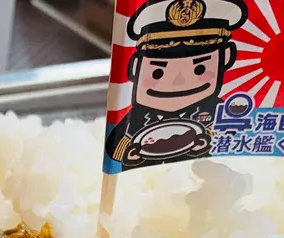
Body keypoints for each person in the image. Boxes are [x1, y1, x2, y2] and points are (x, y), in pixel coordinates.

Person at [105, 0, 248, 170]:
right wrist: (129, 155)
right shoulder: (132, 120)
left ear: (226, 57)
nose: (177, 81)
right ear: (135, 67)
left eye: (199, 68)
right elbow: (115, 150)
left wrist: (208, 140)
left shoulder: (222, 112)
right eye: (158, 72)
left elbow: (236, 137)